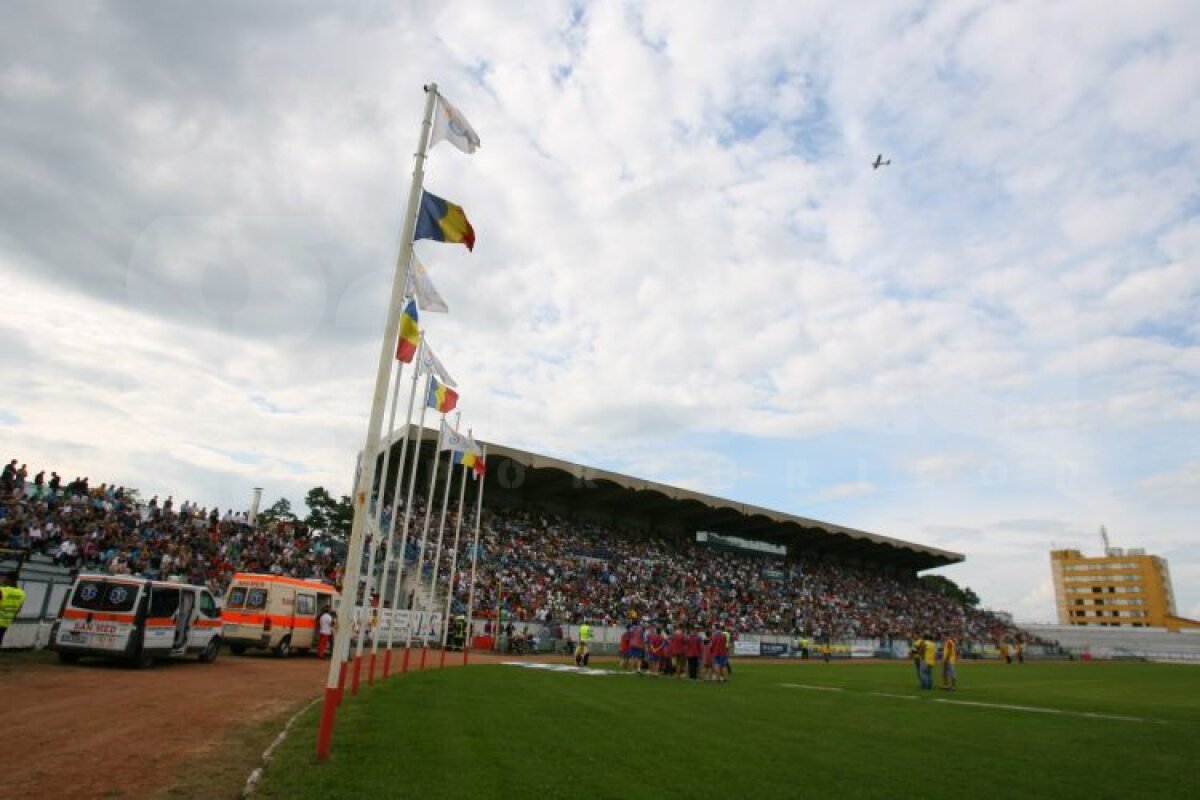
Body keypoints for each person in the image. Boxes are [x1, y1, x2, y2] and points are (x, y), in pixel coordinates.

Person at [0, 573, 26, 649]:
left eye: (4, 577)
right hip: (5, 622)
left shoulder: (2, 590)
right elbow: (18, 610)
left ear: (8, 579)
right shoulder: (21, 593)